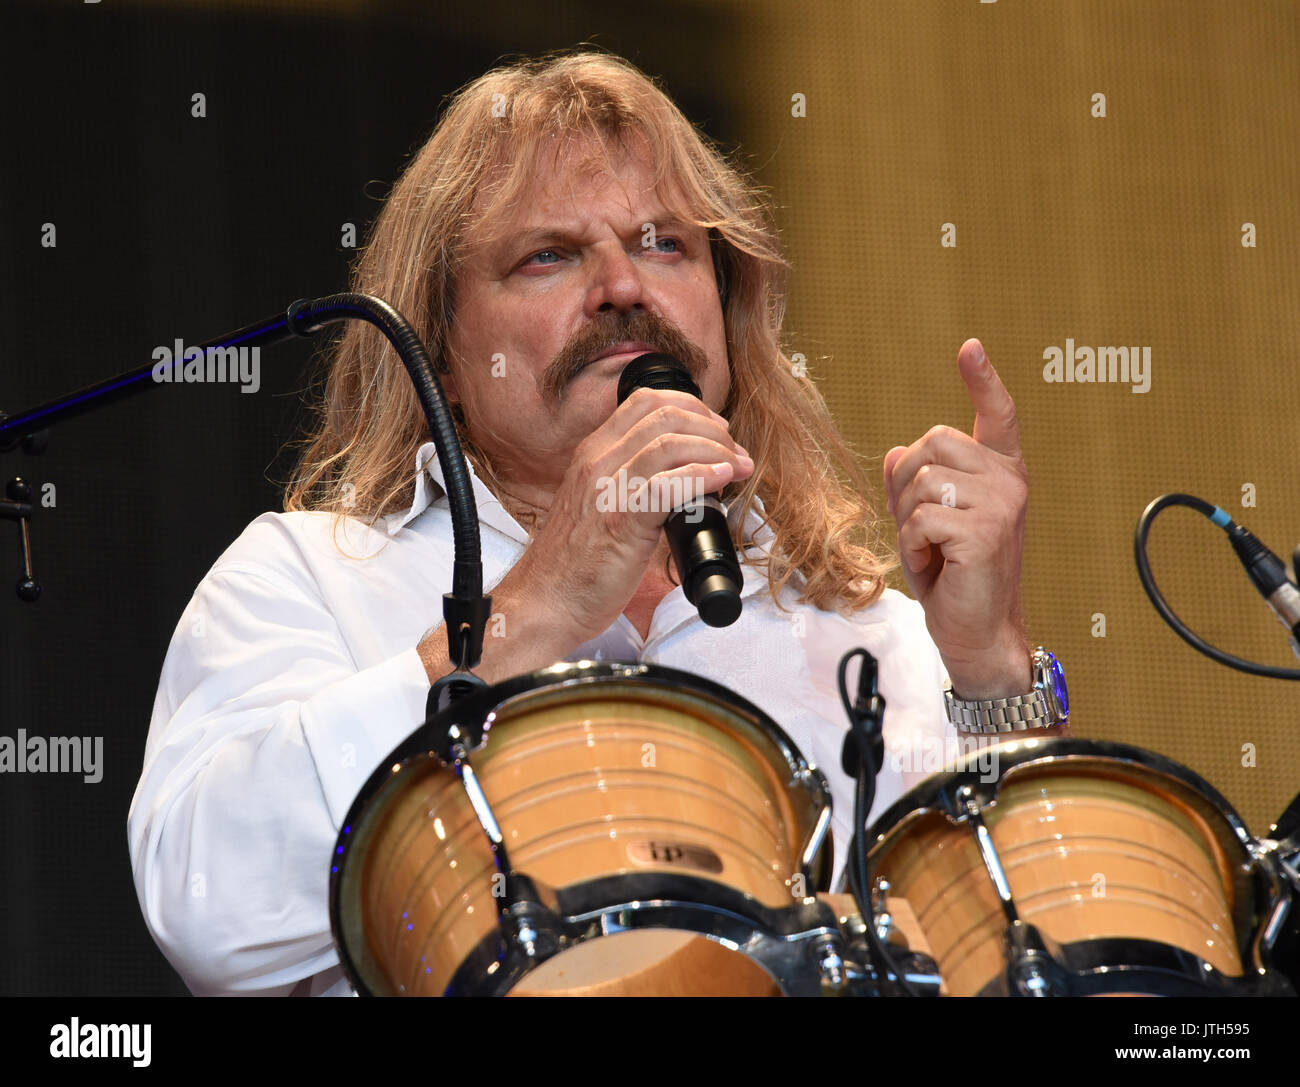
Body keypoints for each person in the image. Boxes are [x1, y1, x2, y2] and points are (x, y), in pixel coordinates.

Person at [128, 50, 1054, 997]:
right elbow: (208, 909)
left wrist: (989, 666)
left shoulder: (869, 630)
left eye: (665, 245)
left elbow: (1039, 954)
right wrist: (534, 610)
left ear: (726, 314)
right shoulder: (305, 580)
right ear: (440, 351)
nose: (622, 286)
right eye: (550, 255)